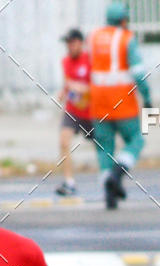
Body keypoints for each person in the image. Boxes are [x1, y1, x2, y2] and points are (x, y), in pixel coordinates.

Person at [89, 2, 151, 209]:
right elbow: (139, 73)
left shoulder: (94, 37)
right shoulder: (126, 38)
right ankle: (118, 172)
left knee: (104, 146)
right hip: (122, 101)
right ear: (124, 20)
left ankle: (108, 185)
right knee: (135, 140)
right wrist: (148, 98)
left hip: (98, 101)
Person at [56, 28, 94, 197]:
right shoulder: (65, 61)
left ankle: (111, 177)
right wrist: (64, 92)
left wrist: (79, 88)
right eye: (67, 44)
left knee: (103, 147)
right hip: (73, 110)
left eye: (72, 43)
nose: (69, 47)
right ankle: (69, 182)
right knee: (64, 141)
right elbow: (68, 82)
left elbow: (96, 88)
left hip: (91, 112)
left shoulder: (90, 60)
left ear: (80, 43)